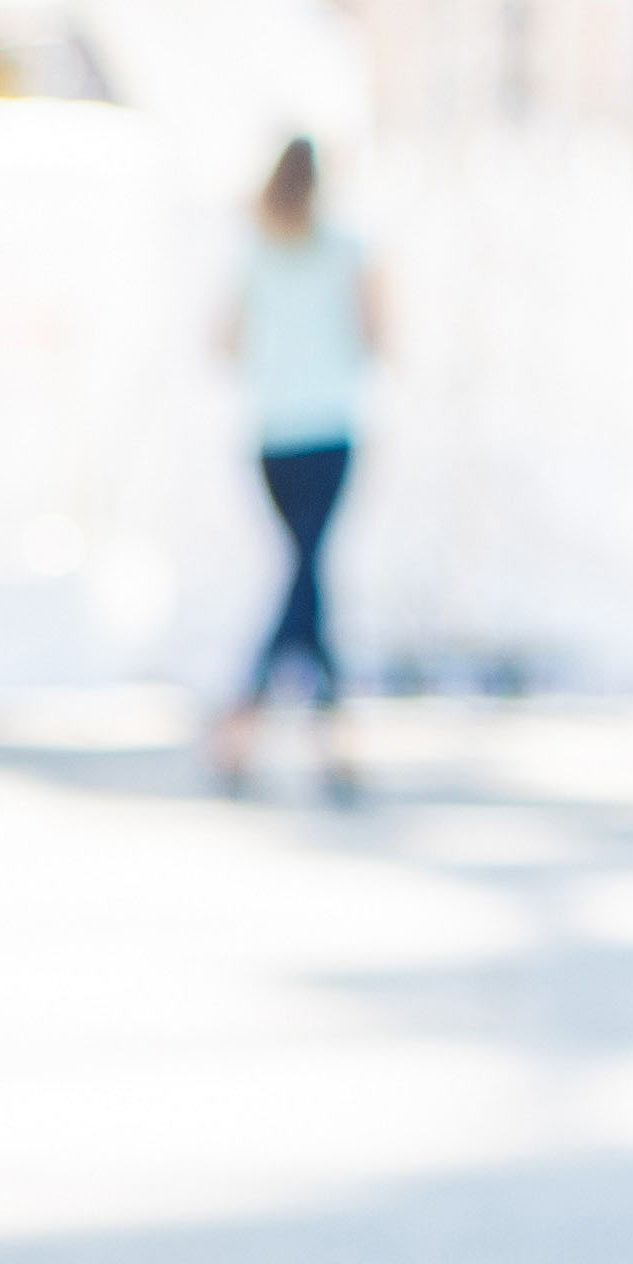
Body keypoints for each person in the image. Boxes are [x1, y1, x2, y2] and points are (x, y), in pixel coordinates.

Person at [211, 137, 382, 797]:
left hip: (272, 430)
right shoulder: (347, 248)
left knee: (304, 576)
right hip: (331, 427)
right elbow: (376, 335)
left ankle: (265, 729)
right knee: (306, 576)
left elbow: (224, 341)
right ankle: (294, 728)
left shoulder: (256, 251)